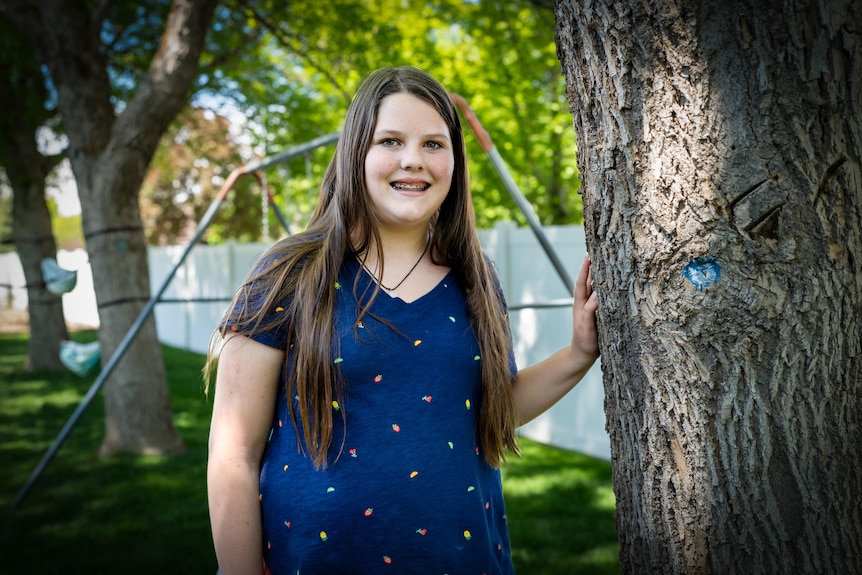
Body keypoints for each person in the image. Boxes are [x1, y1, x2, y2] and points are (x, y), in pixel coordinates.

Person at [205, 65, 599, 575]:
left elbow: (486, 410)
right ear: (355, 156)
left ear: (454, 163)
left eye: (434, 144)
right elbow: (234, 449)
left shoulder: (475, 279)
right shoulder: (290, 273)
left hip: (463, 559)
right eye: (390, 140)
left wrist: (578, 354)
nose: (414, 160)